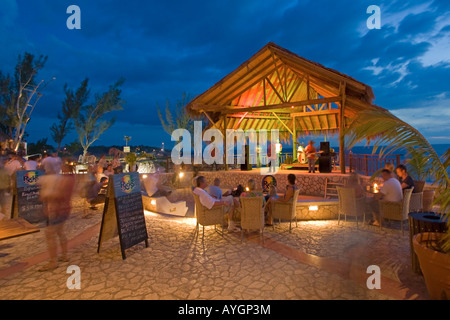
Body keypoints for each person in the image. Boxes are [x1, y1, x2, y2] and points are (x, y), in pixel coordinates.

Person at [38, 164, 75, 271]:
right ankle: (64, 255)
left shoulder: (65, 180)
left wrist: (46, 196)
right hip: (65, 208)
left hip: (58, 210)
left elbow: (60, 195)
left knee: (50, 234)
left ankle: (53, 262)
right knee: (60, 232)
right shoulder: (70, 178)